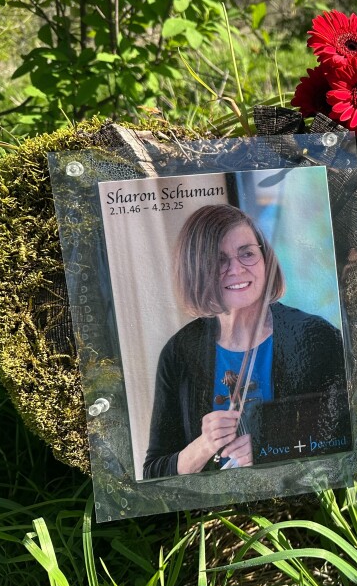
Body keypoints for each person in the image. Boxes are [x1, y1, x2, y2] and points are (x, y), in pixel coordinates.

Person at [143, 204, 346, 478]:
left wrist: (269, 450)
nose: (236, 269)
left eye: (247, 254)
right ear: (196, 270)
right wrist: (204, 445)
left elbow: (348, 439)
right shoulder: (178, 352)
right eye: (219, 260)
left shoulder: (317, 336)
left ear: (265, 259)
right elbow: (154, 474)